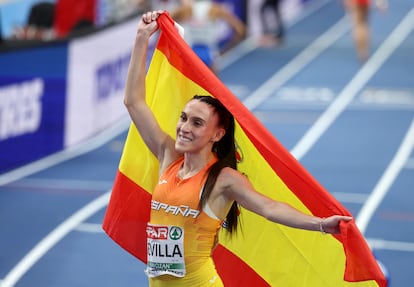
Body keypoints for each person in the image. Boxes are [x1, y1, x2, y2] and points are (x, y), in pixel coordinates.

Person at [126, 10, 353, 287]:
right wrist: (141, 38)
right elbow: (134, 103)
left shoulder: (223, 179)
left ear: (217, 134)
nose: (184, 127)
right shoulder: (168, 156)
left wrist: (320, 224)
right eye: (183, 118)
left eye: (197, 123)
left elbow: (269, 208)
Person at [170, 0, 246, 73]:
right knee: (212, 85)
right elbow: (240, 30)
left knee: (188, 84)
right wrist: (227, 49)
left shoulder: (185, 10)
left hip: (190, 52)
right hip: (210, 53)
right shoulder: (215, 9)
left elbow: (166, 22)